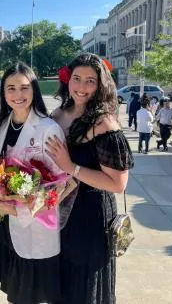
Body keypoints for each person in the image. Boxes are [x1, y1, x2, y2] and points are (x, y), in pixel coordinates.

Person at [46, 53, 134, 304]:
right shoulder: (58, 114)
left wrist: (70, 167)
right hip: (59, 210)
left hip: (90, 217)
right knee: (61, 285)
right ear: (67, 80)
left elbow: (118, 184)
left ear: (100, 84)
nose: (81, 87)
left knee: (84, 289)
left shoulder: (104, 123)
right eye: (76, 78)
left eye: (90, 81)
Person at [0, 61, 67, 304]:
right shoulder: (3, 124)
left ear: (34, 89)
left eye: (24, 87)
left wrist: (21, 208)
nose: (17, 94)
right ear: (3, 93)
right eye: (10, 88)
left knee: (29, 297)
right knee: (15, 295)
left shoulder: (47, 128)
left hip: (35, 228)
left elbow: (61, 184)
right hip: (5, 225)